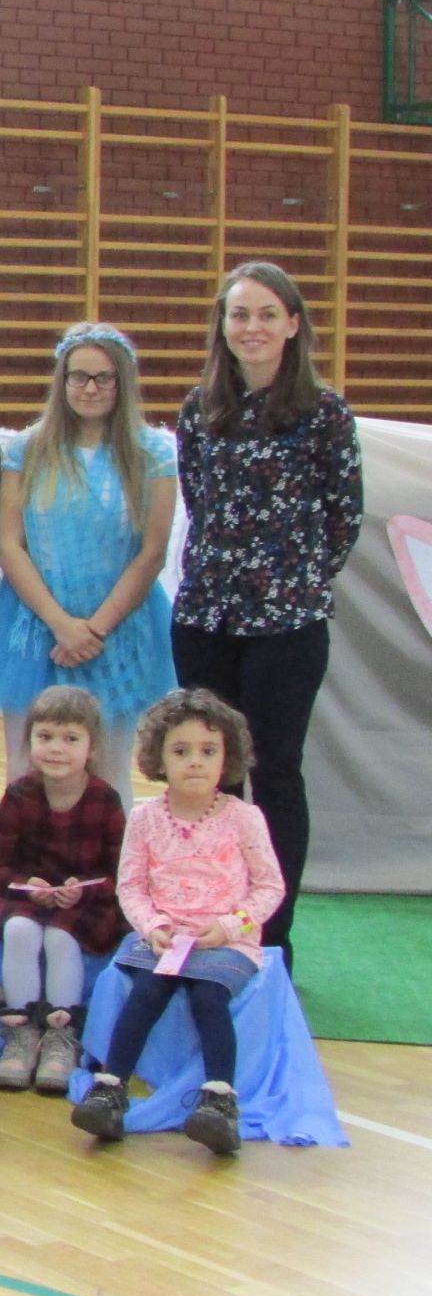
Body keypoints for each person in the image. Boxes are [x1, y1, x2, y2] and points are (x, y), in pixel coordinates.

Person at [171, 261, 361, 962]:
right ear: (222, 327)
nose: (251, 327)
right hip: (205, 618)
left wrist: (292, 582)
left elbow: (344, 517)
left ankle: (271, 935)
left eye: (265, 314)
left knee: (275, 772)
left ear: (292, 325)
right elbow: (199, 502)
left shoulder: (325, 412)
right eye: (239, 314)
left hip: (287, 625)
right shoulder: (200, 409)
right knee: (209, 774)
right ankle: (207, 918)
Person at [0, 324, 178, 805]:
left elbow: (152, 551)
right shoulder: (28, 449)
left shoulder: (153, 453)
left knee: (109, 771)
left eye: (103, 377)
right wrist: (61, 624)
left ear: (122, 382)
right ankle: (24, 856)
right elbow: (9, 544)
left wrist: (93, 629)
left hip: (117, 629)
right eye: (79, 376)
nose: (90, 388)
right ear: (62, 381)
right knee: (27, 767)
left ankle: (109, 858)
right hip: (37, 625)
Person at [71, 689, 283, 1157]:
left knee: (209, 996)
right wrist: (152, 928)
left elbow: (270, 887)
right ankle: (110, 1090)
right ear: (159, 758)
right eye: (181, 751)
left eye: (208, 751)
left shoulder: (245, 818)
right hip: (164, 939)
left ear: (227, 757)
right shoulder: (145, 818)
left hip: (225, 941)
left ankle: (219, 1102)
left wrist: (230, 927)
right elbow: (131, 886)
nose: (195, 762)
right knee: (146, 992)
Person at [0, 685, 127, 1094]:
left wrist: (84, 891)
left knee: (62, 937)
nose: (56, 749)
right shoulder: (18, 795)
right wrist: (25, 885)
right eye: (45, 737)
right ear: (29, 742)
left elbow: (120, 874)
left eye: (71, 738)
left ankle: (62, 1032)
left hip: (87, 905)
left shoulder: (105, 800)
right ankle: (21, 1029)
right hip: (28, 899)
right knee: (19, 931)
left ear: (92, 748)